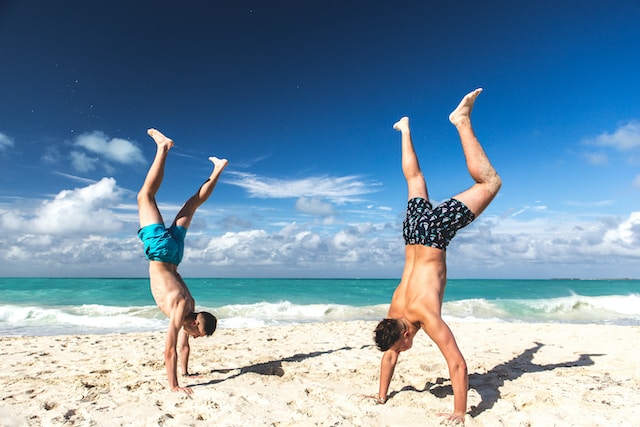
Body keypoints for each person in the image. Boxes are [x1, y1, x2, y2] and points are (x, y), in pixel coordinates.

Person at [372, 88, 501, 424]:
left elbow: (456, 364)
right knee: (415, 179)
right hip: (412, 234)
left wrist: (460, 412)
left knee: (489, 183)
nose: (400, 352)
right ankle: (405, 129)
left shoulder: (423, 316)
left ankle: (461, 122)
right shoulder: (394, 309)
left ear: (404, 335)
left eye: (401, 347)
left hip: (432, 236)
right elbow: (387, 356)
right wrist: (381, 396)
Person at [137, 128, 228, 394]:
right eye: (197, 333)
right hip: (162, 252)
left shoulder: (192, 306)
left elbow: (184, 343)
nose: (193, 337)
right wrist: (175, 385)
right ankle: (163, 148)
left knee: (192, 205)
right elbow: (170, 349)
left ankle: (219, 168)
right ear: (194, 323)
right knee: (145, 196)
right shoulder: (180, 307)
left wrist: (187, 372)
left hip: (175, 254)